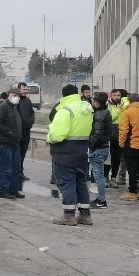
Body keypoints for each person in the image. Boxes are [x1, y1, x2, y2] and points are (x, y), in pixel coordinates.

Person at [47, 84, 94, 225]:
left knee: (67, 183)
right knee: (81, 183)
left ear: (63, 96)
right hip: (82, 152)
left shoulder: (65, 110)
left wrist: (48, 137)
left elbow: (56, 135)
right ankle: (85, 215)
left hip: (64, 152)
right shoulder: (86, 108)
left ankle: (68, 215)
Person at [118, 92, 139, 201]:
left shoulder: (127, 112)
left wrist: (121, 143)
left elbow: (124, 130)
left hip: (131, 144)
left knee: (132, 169)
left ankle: (132, 191)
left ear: (129, 101)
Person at [0, 85, 24, 200]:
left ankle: (13, 189)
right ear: (9, 95)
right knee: (6, 168)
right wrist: (9, 133)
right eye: (14, 95)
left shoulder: (15, 108)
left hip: (15, 142)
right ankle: (4, 190)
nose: (17, 97)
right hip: (6, 142)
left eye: (18, 96)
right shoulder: (3, 107)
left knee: (16, 167)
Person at [88, 92, 112, 208]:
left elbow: (97, 134)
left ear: (97, 103)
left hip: (98, 148)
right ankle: (101, 199)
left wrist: (91, 146)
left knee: (98, 176)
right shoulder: (105, 112)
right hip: (103, 147)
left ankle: (101, 200)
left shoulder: (99, 115)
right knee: (100, 174)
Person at [107, 89, 128, 189]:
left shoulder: (125, 104)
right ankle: (106, 176)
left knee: (117, 157)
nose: (116, 97)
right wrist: (119, 109)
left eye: (118, 95)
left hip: (121, 132)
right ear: (111, 96)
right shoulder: (108, 105)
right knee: (109, 157)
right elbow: (110, 118)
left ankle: (113, 177)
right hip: (111, 132)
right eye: (114, 95)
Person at [15, 83, 36, 185]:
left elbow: (32, 113)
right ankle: (15, 172)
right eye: (24, 89)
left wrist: (30, 122)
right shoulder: (15, 100)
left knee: (23, 152)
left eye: (26, 89)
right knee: (16, 153)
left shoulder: (28, 101)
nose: (25, 91)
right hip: (17, 132)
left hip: (26, 131)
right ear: (19, 90)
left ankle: (20, 172)